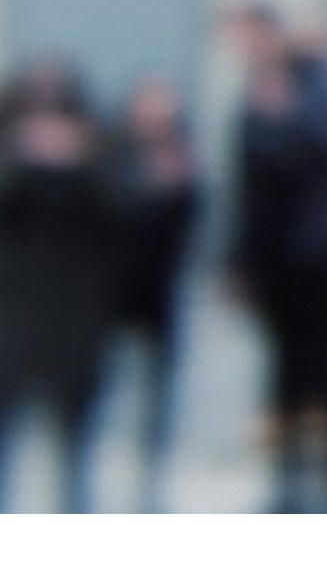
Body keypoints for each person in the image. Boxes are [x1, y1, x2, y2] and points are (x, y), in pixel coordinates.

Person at [229, 7, 327, 511]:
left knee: (323, 368)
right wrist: (236, 259)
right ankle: (284, 470)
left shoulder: (321, 91)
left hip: (318, 256)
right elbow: (245, 185)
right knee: (278, 371)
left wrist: (287, 119)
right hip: (272, 259)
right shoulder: (252, 96)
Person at [0, 62, 119, 512]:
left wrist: (77, 161)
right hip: (11, 323)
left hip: (76, 328)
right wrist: (22, 159)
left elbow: (122, 219)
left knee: (75, 452)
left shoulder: (100, 157)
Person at [104, 74, 204, 510]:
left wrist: (178, 186)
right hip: (112, 297)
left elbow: (189, 227)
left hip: (160, 297)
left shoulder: (180, 159)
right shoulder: (113, 158)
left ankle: (149, 488)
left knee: (156, 398)